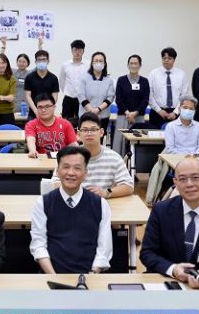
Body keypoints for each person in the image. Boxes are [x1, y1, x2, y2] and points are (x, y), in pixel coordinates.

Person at [140, 157, 199, 289]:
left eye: (195, 177)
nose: (189, 184)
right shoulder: (161, 211)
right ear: (175, 182)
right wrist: (173, 269)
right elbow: (147, 253)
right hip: (164, 281)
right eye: (183, 179)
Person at [30, 145, 112, 274]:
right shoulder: (43, 203)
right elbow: (38, 246)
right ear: (57, 171)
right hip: (52, 274)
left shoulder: (100, 204)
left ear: (86, 173)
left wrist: (92, 274)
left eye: (77, 168)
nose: (71, 173)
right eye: (66, 167)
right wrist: (53, 276)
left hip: (90, 275)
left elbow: (104, 248)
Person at [53, 112, 132, 198]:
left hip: (102, 203)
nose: (89, 133)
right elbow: (55, 182)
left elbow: (129, 186)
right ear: (78, 134)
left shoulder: (114, 158)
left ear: (101, 132)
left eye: (93, 130)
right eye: (85, 130)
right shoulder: (69, 156)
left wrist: (106, 193)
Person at [145, 96, 199, 205]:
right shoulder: (171, 126)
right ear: (180, 108)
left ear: (195, 111)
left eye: (191, 109)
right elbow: (170, 148)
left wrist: (196, 154)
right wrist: (186, 156)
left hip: (195, 158)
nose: (188, 110)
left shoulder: (198, 126)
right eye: (185, 107)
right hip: (176, 159)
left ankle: (198, 199)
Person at [113, 54, 150, 155]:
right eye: (131, 63)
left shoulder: (145, 81)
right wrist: (128, 113)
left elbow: (145, 100)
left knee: (138, 143)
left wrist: (135, 113)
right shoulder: (121, 80)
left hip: (139, 117)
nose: (133, 66)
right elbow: (119, 99)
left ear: (140, 65)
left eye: (136, 63)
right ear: (128, 65)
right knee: (120, 143)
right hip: (123, 116)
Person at [148, 47, 189, 129]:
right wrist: (159, 110)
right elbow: (149, 94)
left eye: (169, 58)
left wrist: (175, 112)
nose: (166, 60)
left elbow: (184, 96)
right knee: (155, 136)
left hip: (176, 113)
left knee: (176, 136)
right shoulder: (153, 74)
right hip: (157, 113)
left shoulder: (181, 75)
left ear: (174, 60)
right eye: (164, 58)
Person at [78, 51, 115, 133]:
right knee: (85, 138)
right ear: (92, 63)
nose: (98, 63)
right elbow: (81, 95)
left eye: (101, 61)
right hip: (85, 115)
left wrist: (98, 109)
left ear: (104, 63)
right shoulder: (84, 78)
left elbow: (110, 97)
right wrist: (91, 110)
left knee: (100, 138)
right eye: (96, 61)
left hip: (103, 116)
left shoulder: (109, 80)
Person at [23, 49, 59, 119]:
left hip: (48, 113)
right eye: (39, 60)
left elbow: (55, 97)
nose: (41, 62)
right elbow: (28, 96)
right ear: (35, 62)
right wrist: (36, 111)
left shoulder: (53, 78)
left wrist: (48, 109)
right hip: (33, 113)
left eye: (44, 59)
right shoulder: (29, 77)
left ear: (48, 61)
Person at [58, 39, 87, 124]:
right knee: (65, 122)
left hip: (82, 99)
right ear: (72, 51)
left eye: (80, 50)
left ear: (83, 51)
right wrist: (67, 91)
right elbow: (62, 81)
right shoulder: (65, 65)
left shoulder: (88, 65)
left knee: (82, 122)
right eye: (75, 50)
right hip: (68, 98)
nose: (77, 52)